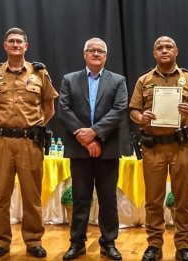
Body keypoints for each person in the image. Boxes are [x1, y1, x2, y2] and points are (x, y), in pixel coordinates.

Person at [0, 27, 58, 259]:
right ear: (5, 46)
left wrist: (34, 125)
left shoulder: (40, 73)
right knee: (1, 196)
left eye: (19, 41)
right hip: (1, 141)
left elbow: (49, 108)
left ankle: (33, 241)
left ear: (26, 46)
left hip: (29, 142)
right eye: (11, 41)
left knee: (31, 196)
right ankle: (1, 242)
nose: (15, 45)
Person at [129, 36, 188, 261]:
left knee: (183, 199)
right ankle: (154, 244)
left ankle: (183, 246)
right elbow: (133, 110)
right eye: (159, 48)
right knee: (153, 200)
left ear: (176, 51)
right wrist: (141, 117)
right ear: (154, 53)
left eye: (168, 47)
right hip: (153, 147)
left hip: (181, 146)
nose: (164, 50)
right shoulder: (144, 80)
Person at [58, 38, 128, 260]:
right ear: (84, 54)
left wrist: (95, 132)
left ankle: (108, 243)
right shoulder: (69, 79)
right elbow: (64, 110)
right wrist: (86, 138)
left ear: (106, 56)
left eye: (101, 51)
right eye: (92, 50)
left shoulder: (118, 81)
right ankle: (77, 243)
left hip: (108, 149)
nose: (96, 53)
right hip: (79, 148)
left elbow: (119, 110)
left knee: (108, 199)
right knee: (80, 198)